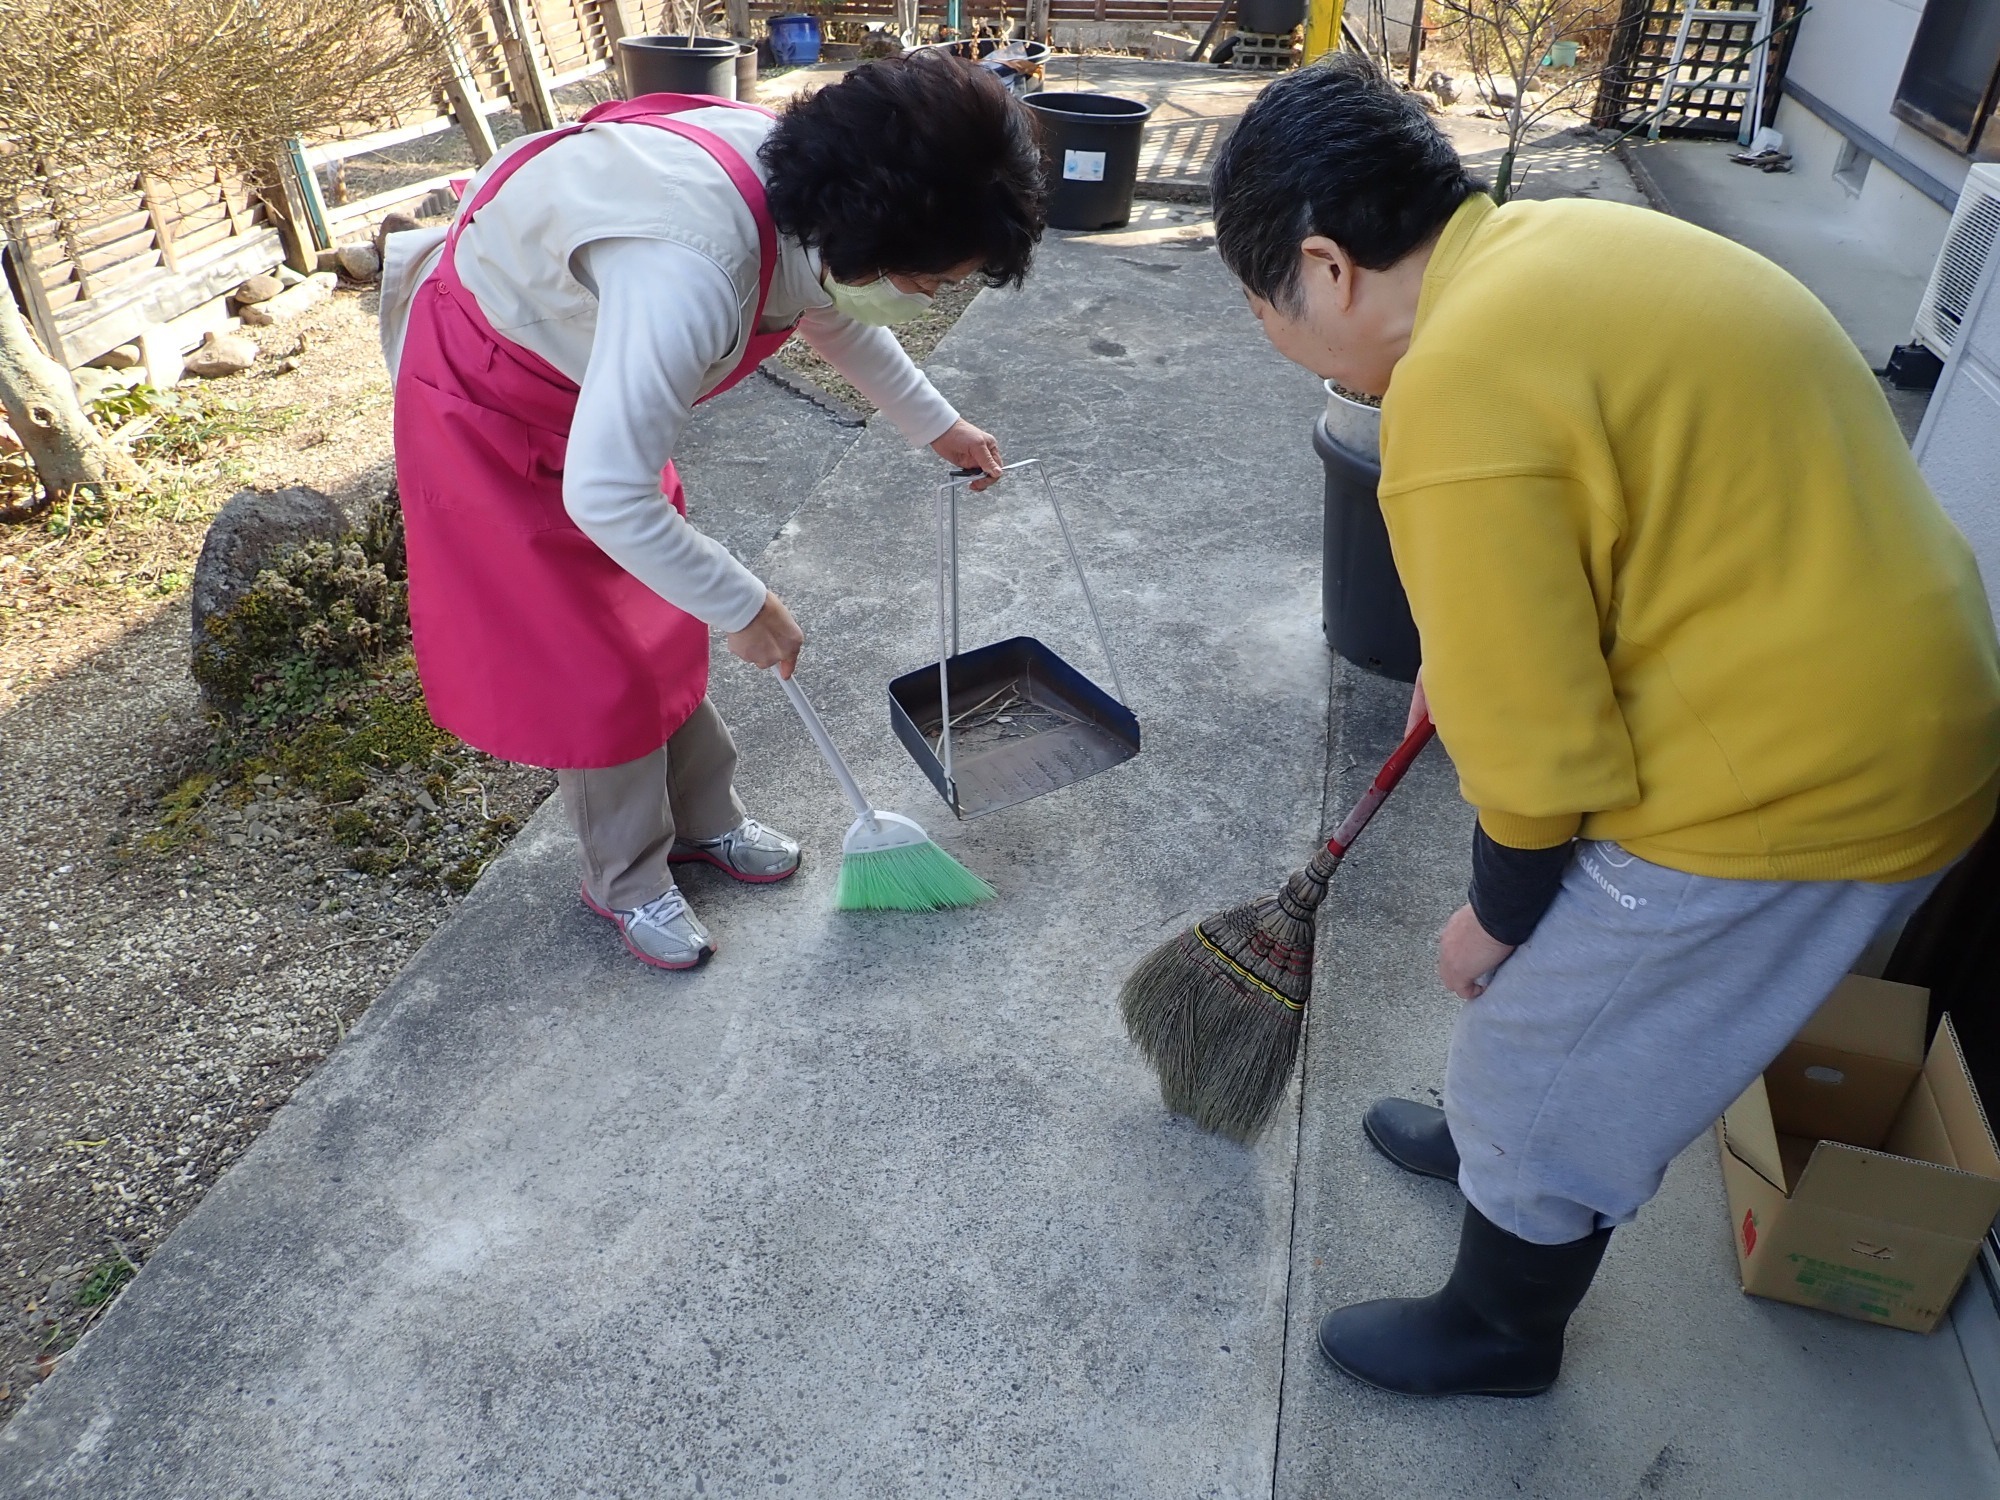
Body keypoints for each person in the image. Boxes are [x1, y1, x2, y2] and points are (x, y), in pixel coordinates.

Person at [1210, 56, 2000, 1397]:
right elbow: (1600, 544)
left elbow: (1538, 768)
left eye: (1260, 302)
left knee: (1547, 1049)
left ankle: (1501, 1327)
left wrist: (1495, 916)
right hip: (1885, 686)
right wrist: (1471, 655)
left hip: (1805, 775)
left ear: (1327, 268)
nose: (1271, 329)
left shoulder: (1453, 390)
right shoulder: (1560, 244)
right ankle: (1489, 1145)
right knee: (1550, 1003)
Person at [380, 55, 1045, 970]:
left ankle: (703, 820)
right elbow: (606, 493)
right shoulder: (687, 271)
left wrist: (939, 426)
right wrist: (748, 603)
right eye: (929, 283)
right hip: (493, 406)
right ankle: (626, 877)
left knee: (655, 619)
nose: (925, 298)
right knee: (590, 661)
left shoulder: (809, 202)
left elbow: (832, 307)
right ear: (867, 236)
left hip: (591, 397)